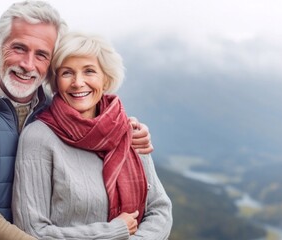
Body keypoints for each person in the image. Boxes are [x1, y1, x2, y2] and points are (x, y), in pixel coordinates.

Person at [0, 1, 153, 239]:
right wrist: (110, 233)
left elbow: (96, 122)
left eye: (41, 55)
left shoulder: (53, 108)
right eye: (19, 48)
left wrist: (128, 129)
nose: (28, 64)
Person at [12, 32, 172, 240]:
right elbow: (32, 231)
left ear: (105, 79)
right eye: (67, 73)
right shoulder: (38, 138)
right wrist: (113, 232)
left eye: (89, 71)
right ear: (56, 81)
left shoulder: (127, 130)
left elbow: (159, 209)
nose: (78, 83)